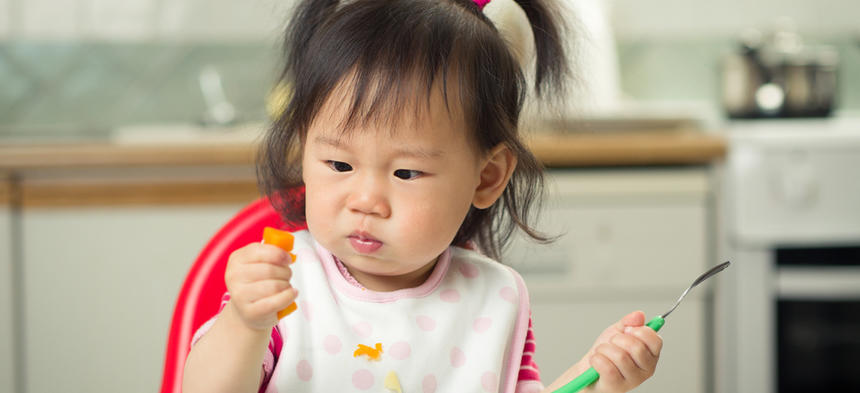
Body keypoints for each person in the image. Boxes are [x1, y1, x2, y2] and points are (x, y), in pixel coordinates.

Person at [183, 0, 662, 391]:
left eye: (407, 172)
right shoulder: (287, 281)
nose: (366, 199)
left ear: (487, 178)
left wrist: (598, 379)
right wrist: (245, 325)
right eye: (339, 165)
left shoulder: (493, 299)